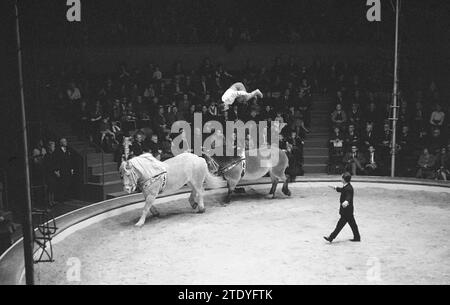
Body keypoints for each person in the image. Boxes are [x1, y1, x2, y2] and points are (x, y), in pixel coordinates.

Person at [324, 172, 361, 243]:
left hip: (346, 211)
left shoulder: (349, 188)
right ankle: (357, 237)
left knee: (339, 226)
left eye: (342, 178)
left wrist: (346, 201)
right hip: (348, 211)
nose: (341, 179)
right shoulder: (347, 186)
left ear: (344, 179)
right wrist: (335, 188)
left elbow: (349, 196)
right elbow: (342, 190)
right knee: (353, 224)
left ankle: (331, 237)